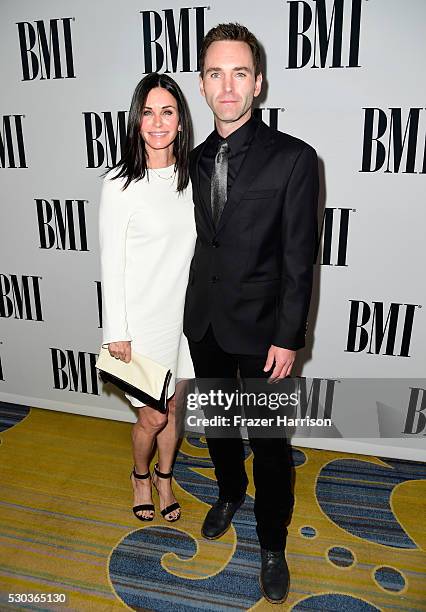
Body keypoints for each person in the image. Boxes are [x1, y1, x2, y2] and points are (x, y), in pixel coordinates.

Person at [183, 23, 319, 603]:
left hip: (266, 335)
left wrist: (289, 338)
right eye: (216, 73)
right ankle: (229, 493)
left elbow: (300, 259)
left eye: (240, 72)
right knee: (216, 428)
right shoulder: (189, 161)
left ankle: (272, 542)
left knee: (269, 443)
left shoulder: (294, 159)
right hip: (205, 324)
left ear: (258, 83)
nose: (228, 86)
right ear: (203, 84)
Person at [99, 73, 196, 523]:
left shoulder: (195, 177)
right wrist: (116, 331)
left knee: (175, 409)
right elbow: (110, 261)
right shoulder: (118, 184)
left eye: (168, 111)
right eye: (148, 111)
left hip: (184, 321)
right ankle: (140, 475)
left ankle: (165, 476)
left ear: (180, 120)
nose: (157, 121)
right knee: (153, 418)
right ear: (136, 120)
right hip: (140, 326)